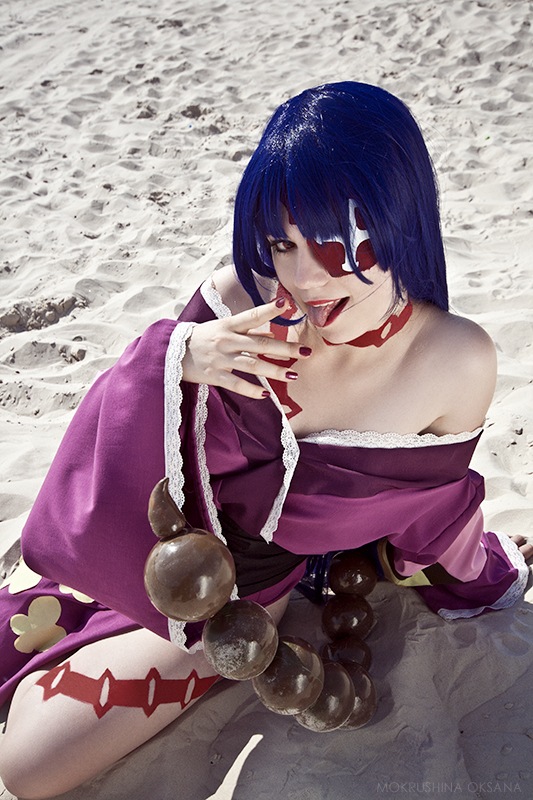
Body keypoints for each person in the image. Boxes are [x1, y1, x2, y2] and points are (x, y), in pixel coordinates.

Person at [0, 81, 530, 798]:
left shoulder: (452, 361)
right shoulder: (239, 301)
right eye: (282, 242)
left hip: (232, 598)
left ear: (398, 217)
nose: (303, 277)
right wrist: (175, 357)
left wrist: (489, 574)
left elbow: (434, 508)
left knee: (30, 767)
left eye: (331, 241)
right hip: (135, 538)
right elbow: (127, 438)